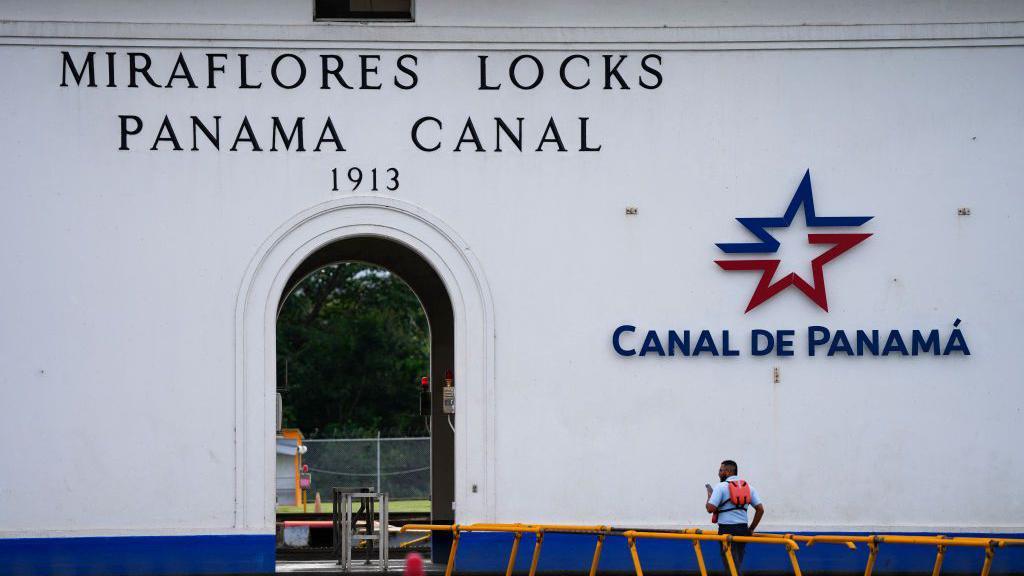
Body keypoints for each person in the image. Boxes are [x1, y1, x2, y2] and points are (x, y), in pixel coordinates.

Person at [705, 460, 764, 574]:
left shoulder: (721, 487)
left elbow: (710, 509)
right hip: (743, 529)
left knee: (730, 565)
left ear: (727, 471)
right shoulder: (749, 487)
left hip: (726, 530)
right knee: (736, 562)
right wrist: (751, 529)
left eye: (721, 470)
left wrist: (709, 496)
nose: (719, 473)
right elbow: (760, 510)